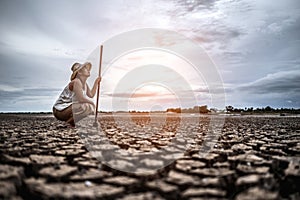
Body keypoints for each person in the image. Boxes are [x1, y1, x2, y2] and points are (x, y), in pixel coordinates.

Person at [53, 62, 101, 126]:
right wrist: (92, 103)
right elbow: (80, 99)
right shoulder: (76, 82)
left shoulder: (84, 84)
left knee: (89, 107)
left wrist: (96, 82)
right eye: (85, 69)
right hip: (60, 110)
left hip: (68, 108)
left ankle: (71, 123)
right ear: (80, 72)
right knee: (86, 107)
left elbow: (91, 95)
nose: (88, 70)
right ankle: (67, 123)